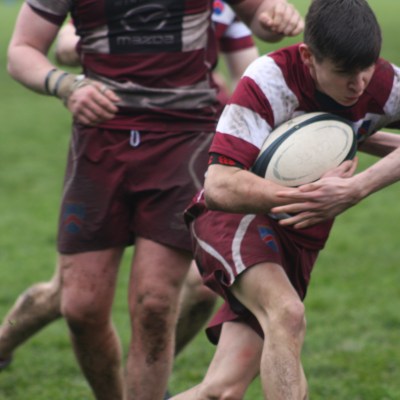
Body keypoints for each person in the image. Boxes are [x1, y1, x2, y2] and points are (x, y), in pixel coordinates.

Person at [5, 1, 303, 399]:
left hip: (183, 142)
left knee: (155, 306)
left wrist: (273, 15)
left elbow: (258, 18)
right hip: (100, 142)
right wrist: (65, 85)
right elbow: (22, 49)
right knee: (80, 307)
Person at [168, 0, 400, 398]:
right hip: (236, 218)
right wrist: (306, 196)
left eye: (366, 68)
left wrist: (357, 187)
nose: (359, 84)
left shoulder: (382, 81)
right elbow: (220, 185)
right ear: (308, 57)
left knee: (222, 390)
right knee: (287, 314)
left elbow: (350, 124)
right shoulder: (269, 80)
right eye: (344, 72)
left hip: (297, 235)